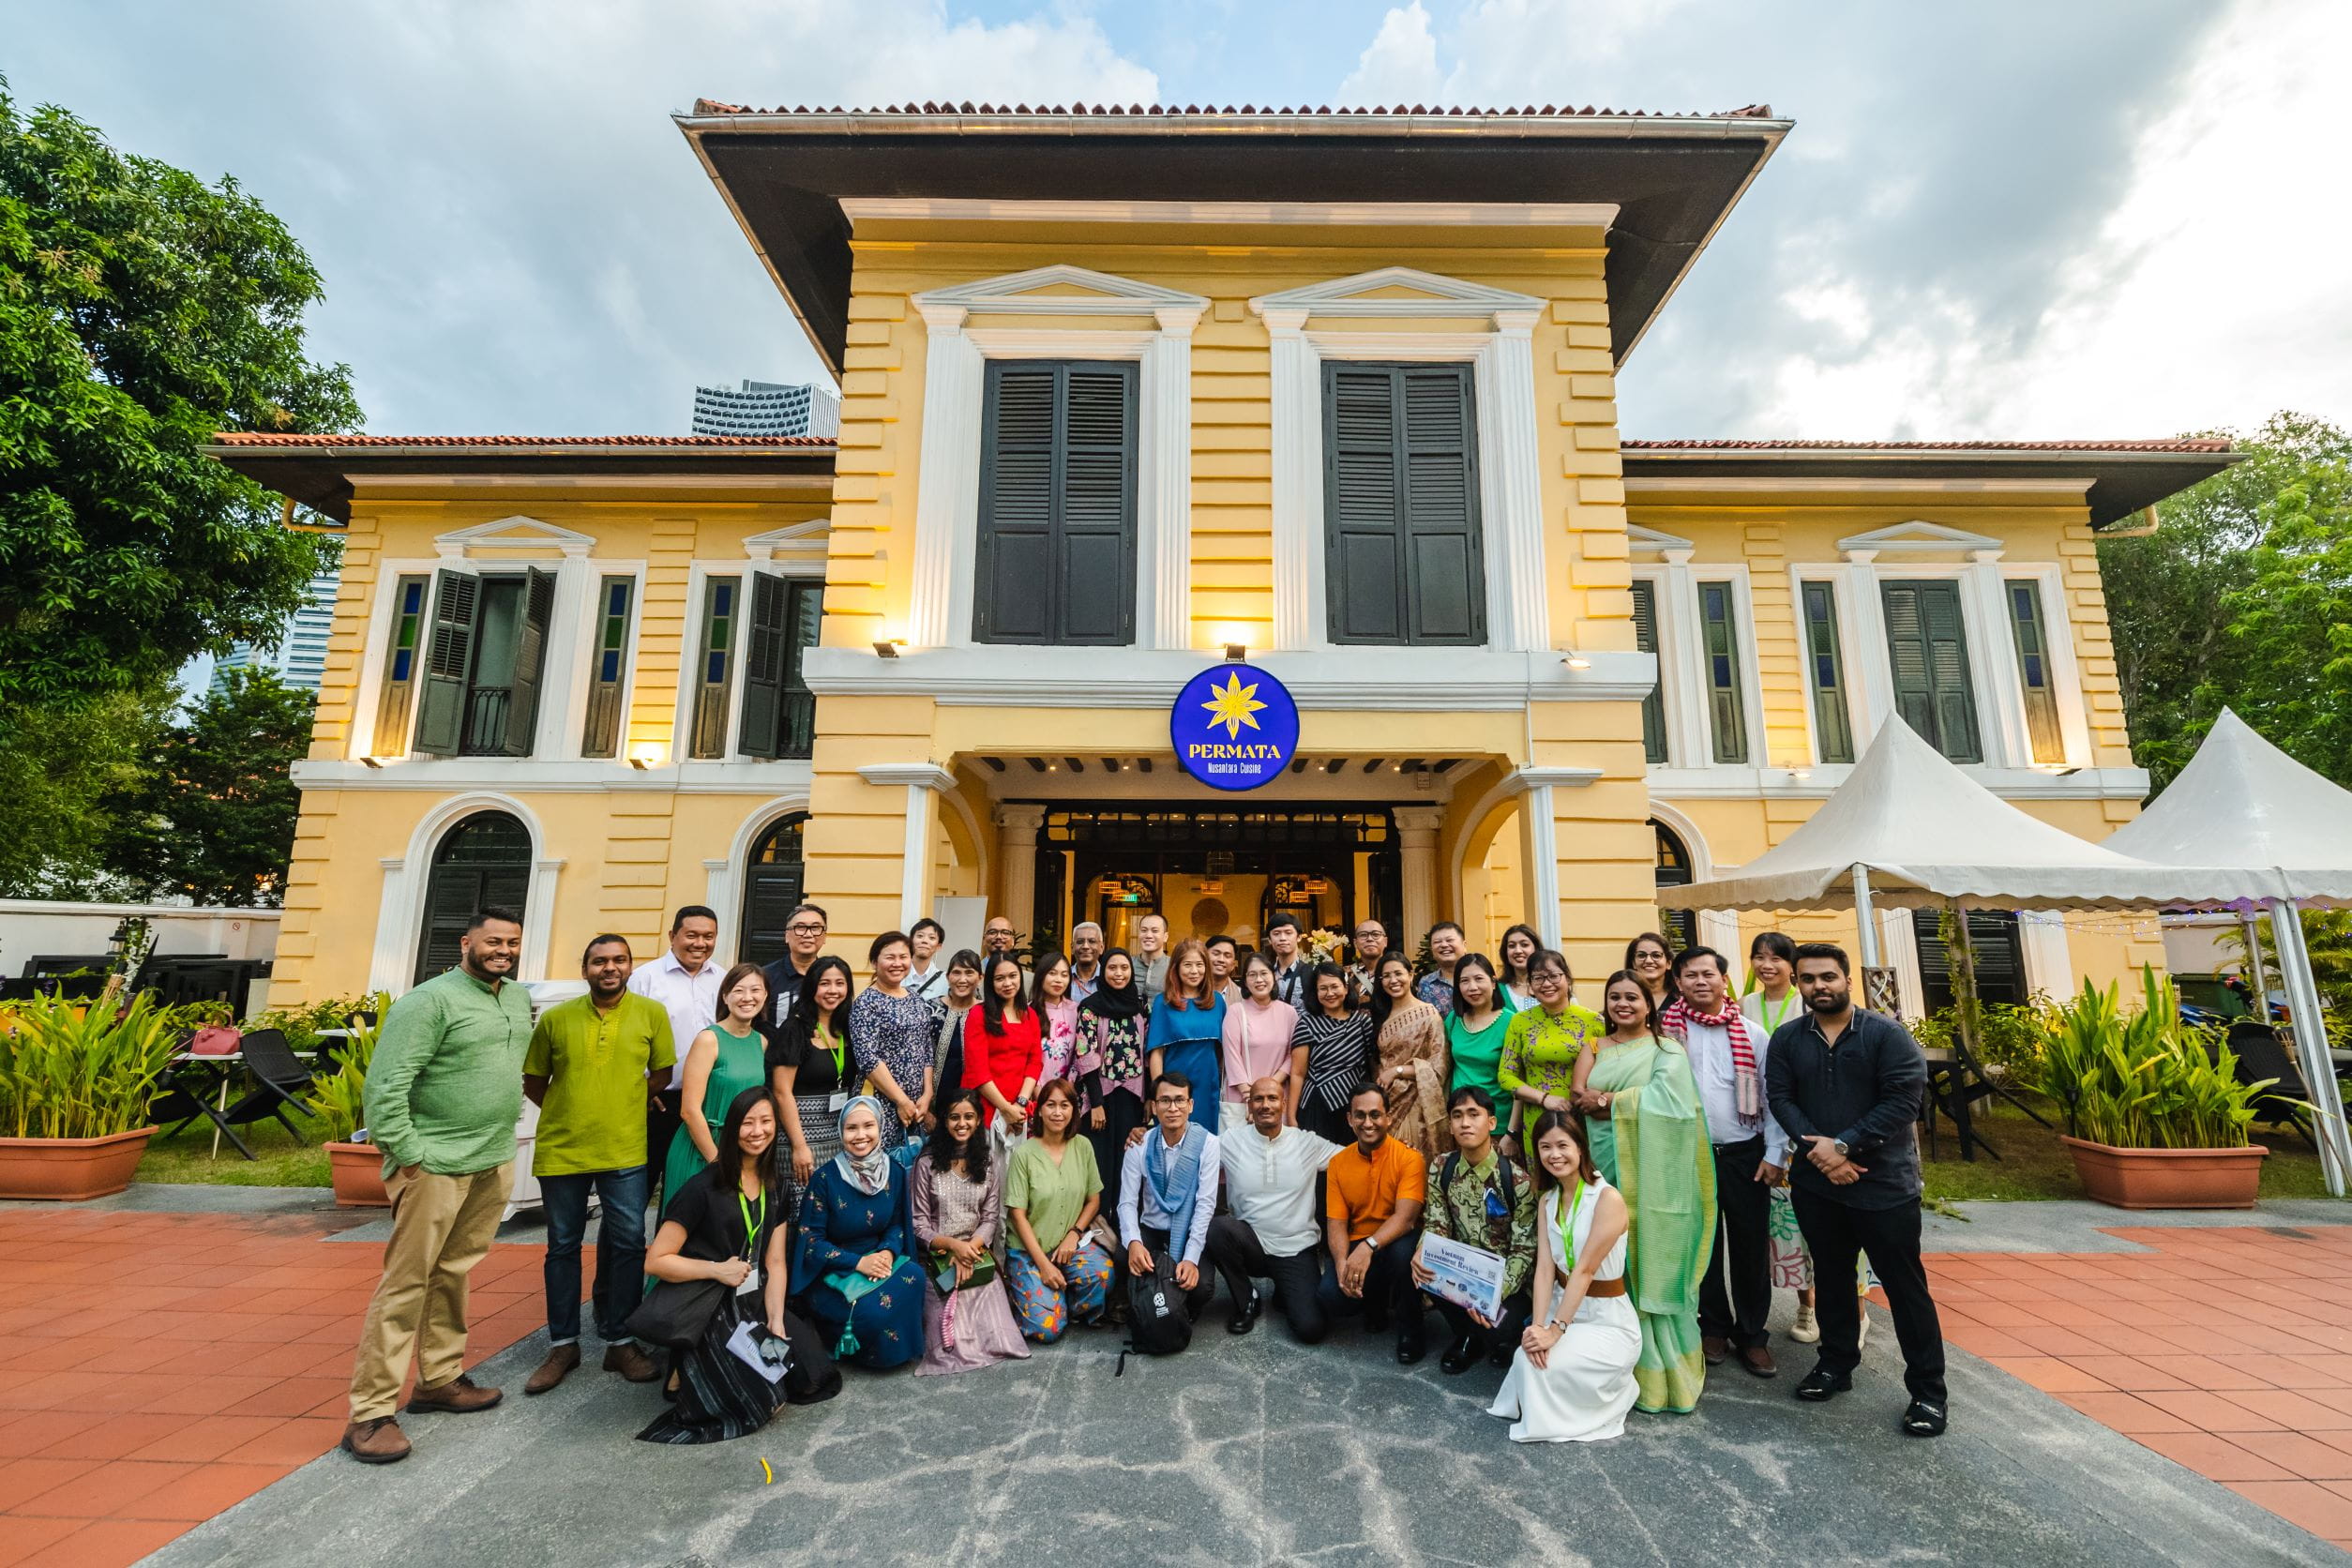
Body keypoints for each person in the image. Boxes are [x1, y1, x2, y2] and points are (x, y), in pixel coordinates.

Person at [341, 908, 534, 1465]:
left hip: (491, 1159)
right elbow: (385, 1087)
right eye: (493, 941)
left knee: (454, 1272)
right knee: (406, 1284)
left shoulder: (515, 998)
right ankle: (371, 1412)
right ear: (466, 941)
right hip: (435, 1165)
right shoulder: (428, 1001)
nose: (503, 950)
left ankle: (440, 1378)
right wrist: (412, 1156)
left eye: (512, 943)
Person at [1768, 942, 1948, 1438]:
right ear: (1798, 983)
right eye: (1808, 979)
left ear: (1847, 979)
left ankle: (1928, 1393)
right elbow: (1780, 1097)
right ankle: (1835, 1365)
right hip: (1817, 1184)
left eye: (1827, 977)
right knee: (1831, 1277)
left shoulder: (1887, 1036)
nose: (1818, 986)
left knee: (1906, 1288)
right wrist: (1821, 1156)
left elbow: (1902, 1102)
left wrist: (1843, 1147)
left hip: (1884, 1184)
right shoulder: (1787, 1039)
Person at [638, 1087, 839, 1443]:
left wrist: (776, 1321)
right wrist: (716, 1269)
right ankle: (686, 1362)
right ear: (732, 1128)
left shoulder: (773, 1187)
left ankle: (693, 1364)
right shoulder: (703, 1187)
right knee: (762, 1402)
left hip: (752, 1298)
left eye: (765, 1122)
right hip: (709, 1300)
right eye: (748, 1123)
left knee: (813, 1376)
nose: (757, 1131)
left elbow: (775, 1262)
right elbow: (655, 1261)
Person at [520, 935, 674, 1395]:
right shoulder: (556, 1018)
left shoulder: (651, 1014)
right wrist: (571, 1110)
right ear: (585, 967)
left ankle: (620, 1340)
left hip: (625, 1149)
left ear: (630, 966)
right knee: (563, 1245)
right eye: (600, 961)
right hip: (563, 1150)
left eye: (619, 960)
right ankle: (563, 1344)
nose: (610, 968)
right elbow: (534, 1080)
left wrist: (626, 1105)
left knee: (628, 1242)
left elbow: (662, 1073)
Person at [1572, 970, 1715, 1414]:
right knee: (1608, 1250)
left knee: (1646, 1247)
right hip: (1603, 1160)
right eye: (1614, 997)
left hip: (1653, 1170)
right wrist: (1597, 1100)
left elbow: (1673, 1106)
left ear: (1648, 1004)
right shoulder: (1594, 1046)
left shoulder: (1665, 1049)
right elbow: (1579, 1096)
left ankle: (1658, 1366)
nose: (1623, 1005)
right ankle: (1612, 1358)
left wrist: (1610, 1101)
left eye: (1632, 997)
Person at [1662, 946, 1787, 1380]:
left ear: (1724, 980)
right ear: (1677, 982)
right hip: (1689, 1155)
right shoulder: (1665, 1033)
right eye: (1691, 975)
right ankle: (1713, 1326)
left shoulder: (1752, 1035)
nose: (1700, 982)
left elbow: (1773, 1098)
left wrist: (1775, 1154)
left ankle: (1753, 1336)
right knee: (1704, 1245)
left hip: (1745, 1154)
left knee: (1751, 1247)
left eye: (1708, 974)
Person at [1486, 1109, 1639, 1444]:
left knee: (1543, 1366)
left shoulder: (1607, 1198)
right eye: (1545, 1147)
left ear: (1580, 1147)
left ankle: (1614, 1392)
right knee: (1525, 1358)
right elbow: (1544, 1270)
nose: (1554, 1155)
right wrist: (1537, 1327)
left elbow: (1583, 1270)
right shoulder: (1548, 1201)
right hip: (1562, 1308)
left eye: (1563, 1145)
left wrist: (1556, 1332)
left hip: (1607, 1319)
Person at [1207, 1077, 1345, 1342]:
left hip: (1296, 1250)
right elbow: (1190, 1148)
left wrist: (1395, 1151)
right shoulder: (1231, 1141)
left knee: (1311, 1329)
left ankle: (1286, 1291)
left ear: (1283, 1103)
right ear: (1249, 1106)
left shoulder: (1306, 1142)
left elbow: (1351, 1157)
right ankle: (1246, 1299)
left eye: (1272, 1098)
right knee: (1218, 1229)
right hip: (1252, 1245)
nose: (1265, 1105)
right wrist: (1144, 1135)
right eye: (1258, 1099)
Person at [795, 1096, 927, 1368]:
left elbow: (897, 1224)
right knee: (871, 1311)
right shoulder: (824, 1180)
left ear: (880, 1127)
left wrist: (888, 1253)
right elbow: (811, 1241)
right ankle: (842, 1342)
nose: (860, 1135)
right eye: (851, 1128)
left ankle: (889, 1346)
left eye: (868, 1126)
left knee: (915, 1275)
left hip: (878, 1259)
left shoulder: (894, 1171)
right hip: (834, 1270)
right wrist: (857, 1263)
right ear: (841, 1132)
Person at [1414, 1086, 1536, 1375]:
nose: (1465, 1123)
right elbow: (1436, 1221)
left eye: (1474, 1114)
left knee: (1499, 1326)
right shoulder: (1442, 1167)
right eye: (1457, 1116)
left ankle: (1502, 1338)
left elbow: (1524, 1249)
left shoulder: (1515, 1179)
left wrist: (1493, 1295)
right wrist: (1422, 1251)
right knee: (1419, 1269)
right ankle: (1469, 1337)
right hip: (1462, 1272)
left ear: (1491, 1123)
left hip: (1507, 1285)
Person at [911, 1090, 1031, 1376]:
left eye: (968, 1117)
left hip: (976, 1255)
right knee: (948, 1345)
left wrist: (970, 1250)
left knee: (999, 1336)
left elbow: (990, 1219)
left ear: (978, 1121)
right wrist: (955, 1248)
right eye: (954, 1117)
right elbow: (919, 1224)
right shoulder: (926, 1163)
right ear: (943, 1121)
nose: (961, 1124)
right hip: (938, 1258)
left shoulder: (988, 1162)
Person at [1741, 930, 1822, 1343]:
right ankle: (1801, 1302)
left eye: (1775, 958)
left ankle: (1824, 1304)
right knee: (1782, 1224)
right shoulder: (1744, 1005)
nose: (1765, 965)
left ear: (1793, 965)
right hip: (1763, 1125)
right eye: (1758, 956)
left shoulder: (1807, 1003)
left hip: (1806, 1121)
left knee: (1815, 1220)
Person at [1319, 1083, 1428, 1363]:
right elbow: (1336, 1224)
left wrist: (1367, 1248)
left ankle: (1411, 1330)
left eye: (1375, 1115)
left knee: (1405, 1252)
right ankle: (1374, 1303)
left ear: (1388, 1117)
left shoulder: (1410, 1158)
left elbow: (1405, 1219)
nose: (1368, 1123)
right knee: (1332, 1297)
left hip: (1393, 1241)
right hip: (1357, 1243)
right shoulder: (1338, 1163)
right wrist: (1343, 1263)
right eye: (1360, 1115)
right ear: (1349, 1119)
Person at [1003, 1078, 1113, 1341]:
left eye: (1065, 1105)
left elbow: (1094, 1200)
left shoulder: (1083, 1146)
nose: (1057, 1112)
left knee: (1103, 1272)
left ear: (1074, 1110)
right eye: (1050, 1105)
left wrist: (1074, 1234)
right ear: (1039, 1110)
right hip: (1030, 1252)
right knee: (1048, 1329)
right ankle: (1034, 1290)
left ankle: (1065, 1302)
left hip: (1070, 1245)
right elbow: (1017, 1214)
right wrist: (1044, 1265)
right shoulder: (1024, 1155)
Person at [628, 905, 721, 1212]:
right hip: (659, 1101)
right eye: (691, 935)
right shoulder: (645, 979)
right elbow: (628, 1036)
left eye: (708, 936)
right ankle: (622, 1259)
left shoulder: (723, 979)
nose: (700, 943)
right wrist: (644, 1084)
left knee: (689, 1189)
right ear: (672, 936)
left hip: (707, 1103)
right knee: (636, 1190)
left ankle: (671, 1256)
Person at [665, 963, 771, 1209]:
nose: (747, 998)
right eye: (738, 990)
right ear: (725, 996)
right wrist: (717, 1161)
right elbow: (689, 1111)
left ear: (765, 996)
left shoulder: (761, 1043)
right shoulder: (709, 1040)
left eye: (755, 990)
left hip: (742, 1150)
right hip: (703, 1150)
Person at [1119, 1071, 1220, 1325]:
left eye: (1179, 1100)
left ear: (1191, 1105)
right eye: (1165, 1101)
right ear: (1154, 1106)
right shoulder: (1139, 1145)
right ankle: (1153, 1307)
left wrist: (1190, 1258)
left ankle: (1175, 1308)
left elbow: (1205, 1205)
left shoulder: (1207, 1144)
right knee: (1124, 1261)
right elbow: (1127, 1203)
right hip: (1151, 1230)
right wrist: (1133, 1242)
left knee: (1200, 1287)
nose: (1172, 1108)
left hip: (1186, 1231)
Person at [767, 955, 854, 1214]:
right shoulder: (795, 1029)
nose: (833, 991)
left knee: (829, 1211)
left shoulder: (847, 1028)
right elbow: (782, 1091)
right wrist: (799, 1146)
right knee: (799, 1211)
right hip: (799, 1136)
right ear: (812, 987)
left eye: (840, 983)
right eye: (824, 983)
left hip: (837, 1138)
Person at [1498, 949, 1606, 1150]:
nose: (1547, 984)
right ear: (1530, 985)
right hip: (1537, 1117)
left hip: (1583, 1117)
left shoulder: (1594, 1021)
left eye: (1554, 976)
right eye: (1538, 978)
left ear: (1568, 979)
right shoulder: (1520, 1021)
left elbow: (1608, 1069)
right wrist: (1544, 1099)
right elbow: (1506, 1076)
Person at [850, 930, 937, 1152]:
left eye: (903, 957)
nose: (898, 963)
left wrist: (927, 1095)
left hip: (916, 1107)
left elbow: (926, 1049)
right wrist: (901, 1101)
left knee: (909, 1169)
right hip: (880, 1102)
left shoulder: (915, 999)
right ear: (874, 962)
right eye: (890, 957)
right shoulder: (867, 1003)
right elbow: (867, 1059)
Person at [1077, 948, 1152, 1202]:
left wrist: (1149, 1098)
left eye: (1124, 968)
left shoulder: (1141, 1007)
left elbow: (1148, 1054)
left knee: (1128, 1161)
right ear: (1103, 971)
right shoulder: (1089, 1007)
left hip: (1132, 1099)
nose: (1118, 973)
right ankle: (1098, 1226)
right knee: (1100, 1162)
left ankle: (1125, 1226)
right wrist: (1096, 1103)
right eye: (1112, 968)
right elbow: (1084, 1056)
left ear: (1131, 972)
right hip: (1101, 1097)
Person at [1369, 952, 1449, 1163]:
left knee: (1411, 1163)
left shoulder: (1428, 1014)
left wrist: (1397, 1071)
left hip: (1416, 1104)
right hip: (1385, 1102)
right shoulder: (1378, 1015)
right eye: (1386, 976)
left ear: (1410, 975)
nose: (1393, 980)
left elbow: (1439, 1066)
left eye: (1398, 973)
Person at [1146, 939, 1229, 1131]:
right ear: (1176, 967)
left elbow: (1223, 1051)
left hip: (1208, 1086)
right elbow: (1156, 1053)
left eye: (1199, 965)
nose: (1194, 971)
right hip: (1172, 1087)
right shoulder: (1162, 1002)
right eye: (1188, 965)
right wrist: (1159, 1093)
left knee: (1205, 1143)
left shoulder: (1217, 1002)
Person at [1289, 962, 1378, 1143]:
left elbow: (1374, 1067)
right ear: (1315, 992)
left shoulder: (1362, 1022)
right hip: (1317, 1104)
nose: (1329, 993)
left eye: (1334, 986)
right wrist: (1291, 1116)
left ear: (1345, 988)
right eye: (1323, 988)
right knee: (1318, 1167)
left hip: (1355, 1105)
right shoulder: (1306, 1023)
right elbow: (1298, 1073)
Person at [964, 953, 1042, 1135]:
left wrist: (1020, 1103)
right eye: (1000, 978)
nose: (1007, 983)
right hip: (984, 1107)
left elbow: (1035, 1062)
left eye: (1012, 976)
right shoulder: (979, 1014)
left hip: (1020, 1109)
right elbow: (977, 1070)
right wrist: (1005, 1108)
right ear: (990, 982)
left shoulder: (1030, 1015)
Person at [1222, 950, 1299, 1115]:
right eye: (1252, 975)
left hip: (1277, 1094)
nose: (1259, 980)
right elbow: (1231, 1056)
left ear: (1274, 976)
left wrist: (1269, 1088)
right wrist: (1250, 1095)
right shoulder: (1235, 1011)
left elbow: (1293, 1055)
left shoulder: (1289, 1013)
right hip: (1242, 1098)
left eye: (1264, 973)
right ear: (1245, 981)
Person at [1444, 954, 1515, 1116]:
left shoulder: (1511, 1022)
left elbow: (1518, 1078)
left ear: (1494, 982)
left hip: (1498, 1118)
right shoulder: (1454, 1019)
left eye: (1478, 979)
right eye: (1464, 981)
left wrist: (1512, 1131)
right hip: (1460, 1118)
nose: (1472, 987)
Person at [928, 948, 985, 1114]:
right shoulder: (930, 1009)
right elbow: (919, 1060)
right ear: (947, 977)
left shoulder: (987, 1013)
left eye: (969, 973)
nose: (962, 979)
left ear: (980, 978)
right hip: (932, 1105)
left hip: (976, 1106)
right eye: (956, 973)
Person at [761, 902, 830, 1015]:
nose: (808, 934)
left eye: (815, 928)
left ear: (824, 936)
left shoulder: (832, 978)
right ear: (787, 936)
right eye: (800, 927)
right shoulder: (765, 977)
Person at [1032, 951, 1080, 1086]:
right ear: (1041, 975)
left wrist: (1067, 1090)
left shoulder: (1077, 1011)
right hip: (1034, 1092)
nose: (1058, 980)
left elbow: (1079, 1056)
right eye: (1052, 973)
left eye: (1064, 975)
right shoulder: (1028, 1012)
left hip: (1068, 1093)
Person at [1416, 922, 1467, 1015]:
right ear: (1431, 950)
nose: (1444, 945)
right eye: (1437, 942)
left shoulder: (1479, 977)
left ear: (1464, 945)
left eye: (1449, 940)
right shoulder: (1426, 984)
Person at [1264, 913, 1312, 1008]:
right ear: (1270, 939)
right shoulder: (1265, 974)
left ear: (1299, 937)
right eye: (1276, 934)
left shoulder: (1310, 973)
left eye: (1288, 933)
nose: (1282, 938)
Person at [1495, 924, 1544, 1012]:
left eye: (1524, 945)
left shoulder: (1550, 985)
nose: (1518, 951)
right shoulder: (1497, 990)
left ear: (1536, 949)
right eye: (1512, 946)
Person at [1626, 932, 1677, 1014]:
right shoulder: (1623, 998)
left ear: (1668, 963)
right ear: (1633, 963)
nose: (1649, 961)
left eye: (1656, 955)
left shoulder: (1683, 999)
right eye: (1641, 955)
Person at [1346, 919, 1390, 1005]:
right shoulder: (1345, 974)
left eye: (1376, 934)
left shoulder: (1397, 973)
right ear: (1355, 943)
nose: (1369, 939)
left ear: (1385, 941)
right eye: (1363, 935)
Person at [906, 917, 949, 1003]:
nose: (925, 941)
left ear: (938, 946)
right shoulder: (897, 975)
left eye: (932, 938)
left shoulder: (946, 981)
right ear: (910, 941)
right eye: (920, 936)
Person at [1134, 912, 1171, 1002]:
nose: (1148, 936)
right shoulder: (1127, 965)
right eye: (1144, 930)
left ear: (1165, 937)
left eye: (1155, 931)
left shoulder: (1174, 966)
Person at [1069, 922, 1105, 1003]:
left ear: (1101, 947)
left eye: (1092, 941)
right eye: (1080, 942)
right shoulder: (1064, 978)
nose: (1085, 946)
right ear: (1072, 948)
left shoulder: (1109, 979)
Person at [1206, 933, 1243, 1004]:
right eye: (1216, 954)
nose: (1221, 960)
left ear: (1233, 965)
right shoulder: (1191, 993)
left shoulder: (1242, 997)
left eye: (1227, 956)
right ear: (1204, 957)